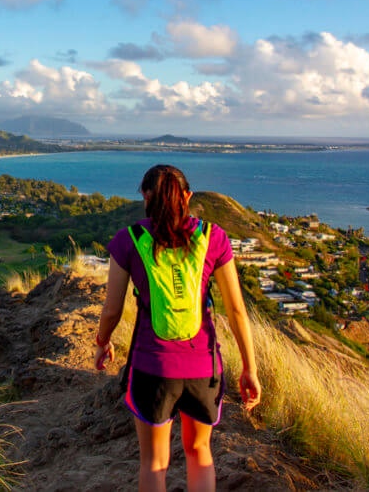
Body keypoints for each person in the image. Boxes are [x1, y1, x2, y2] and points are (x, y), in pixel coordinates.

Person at [94, 164, 261, 492]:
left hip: (151, 367)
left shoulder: (128, 240)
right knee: (200, 454)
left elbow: (112, 309)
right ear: (187, 196)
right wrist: (249, 369)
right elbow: (238, 310)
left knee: (154, 463)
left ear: (145, 196)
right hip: (203, 366)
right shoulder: (214, 238)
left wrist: (103, 341)